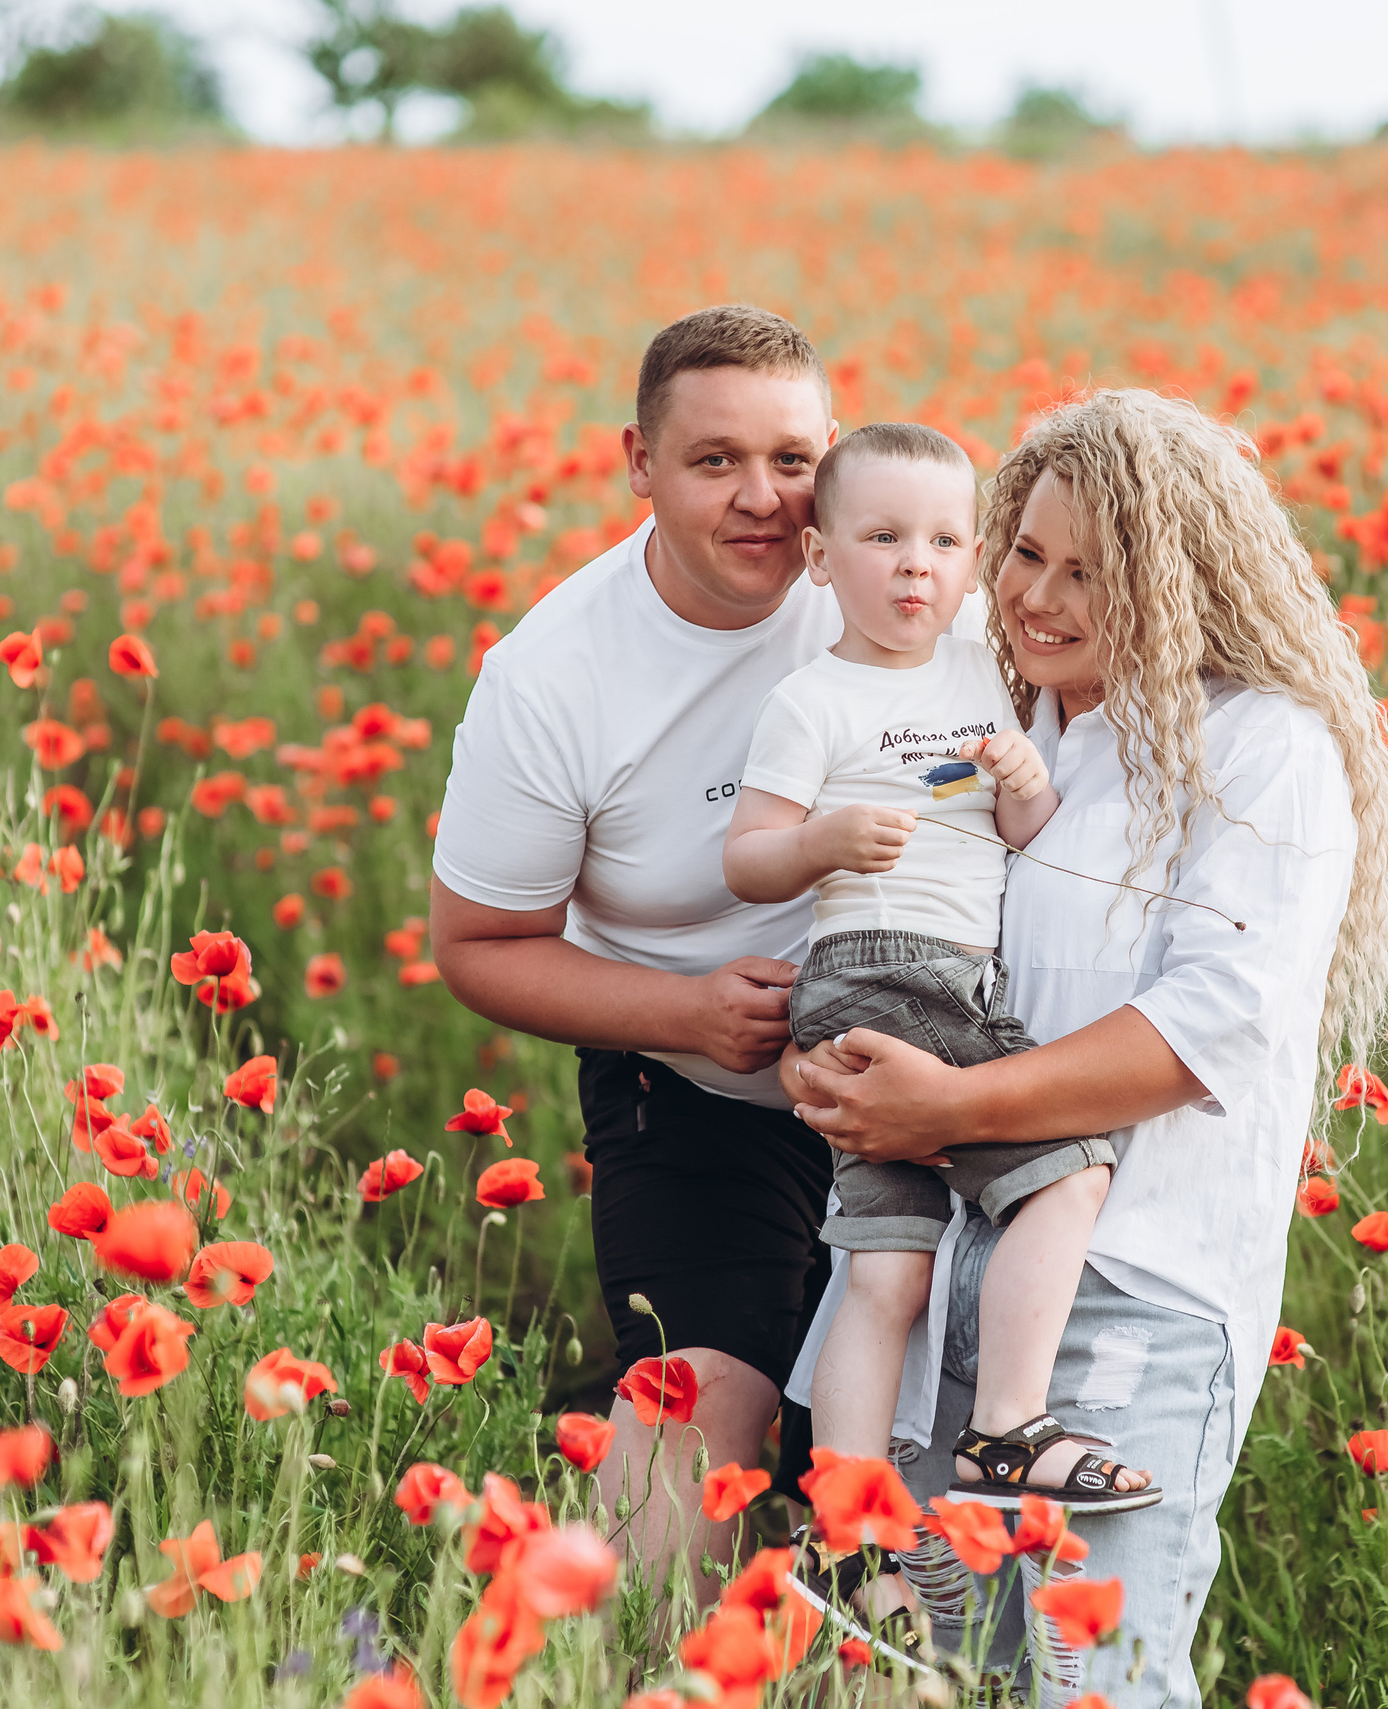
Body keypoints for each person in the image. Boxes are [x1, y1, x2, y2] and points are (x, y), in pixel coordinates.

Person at [783, 389, 1388, 1705]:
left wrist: (946, 1104)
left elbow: (1205, 1033)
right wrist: (838, 1063)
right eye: (1025, 555)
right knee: (934, 1675)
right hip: (938, 1271)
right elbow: (907, 938)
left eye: (1091, 572)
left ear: (1180, 581)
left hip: (1136, 1287)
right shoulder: (1005, 728)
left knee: (1093, 1681)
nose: (1038, 597)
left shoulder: (1263, 752)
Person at [427, 304, 856, 1603]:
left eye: (792, 460)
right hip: (694, 1087)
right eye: (715, 460)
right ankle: (606, 1656)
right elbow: (479, 946)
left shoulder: (902, 580)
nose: (762, 499)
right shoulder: (557, 675)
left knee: (891, 1429)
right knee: (702, 1418)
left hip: (920, 1094)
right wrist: (685, 1012)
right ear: (639, 464)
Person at [720, 423, 1160, 1629]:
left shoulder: (980, 667)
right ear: (819, 559)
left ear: (971, 563)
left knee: (890, 1266)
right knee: (1065, 1171)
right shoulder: (813, 699)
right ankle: (1001, 1432)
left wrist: (1023, 780)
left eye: (946, 541)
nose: (916, 565)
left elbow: (1022, 835)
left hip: (955, 976)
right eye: (882, 538)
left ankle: (854, 1528)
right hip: (873, 968)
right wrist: (819, 841)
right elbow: (747, 857)